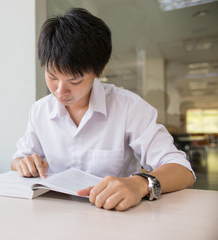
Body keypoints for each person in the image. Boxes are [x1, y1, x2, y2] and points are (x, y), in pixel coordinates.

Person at [11, 8, 195, 211]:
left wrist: (140, 183)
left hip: (114, 216)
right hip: (55, 214)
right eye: (52, 76)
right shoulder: (40, 111)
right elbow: (19, 158)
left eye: (75, 80)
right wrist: (23, 163)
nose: (60, 91)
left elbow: (182, 170)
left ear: (99, 70)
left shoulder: (128, 107)